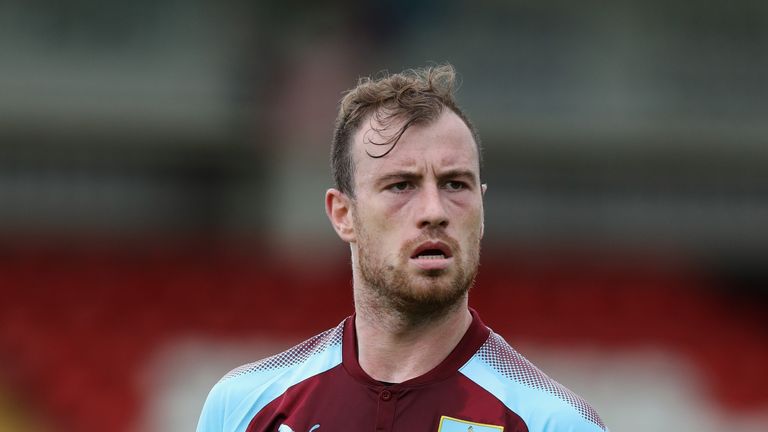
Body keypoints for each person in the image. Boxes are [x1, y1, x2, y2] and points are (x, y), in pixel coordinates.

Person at [197, 64, 607, 432]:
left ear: (482, 211)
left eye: (455, 185)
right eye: (401, 186)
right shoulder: (245, 408)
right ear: (343, 214)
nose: (435, 211)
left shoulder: (552, 422)